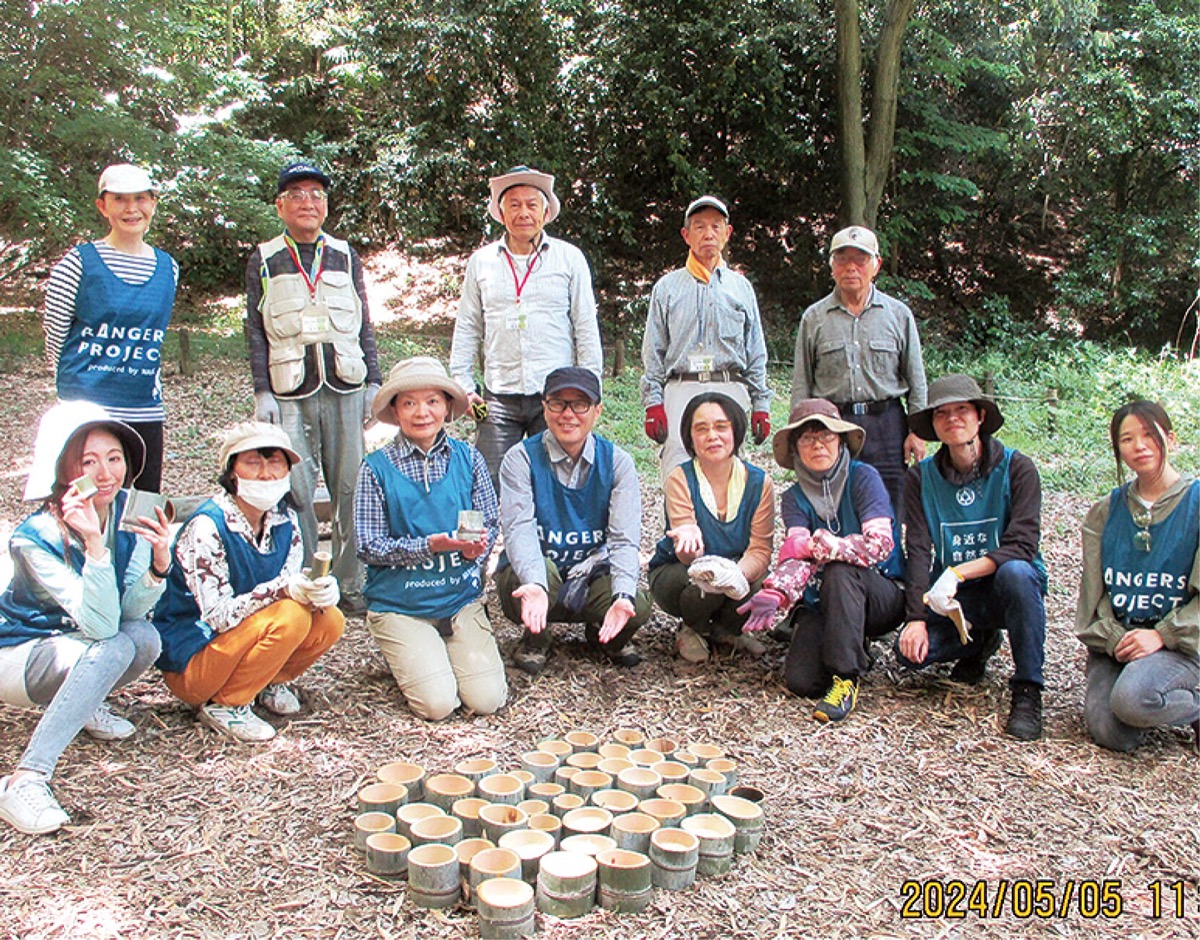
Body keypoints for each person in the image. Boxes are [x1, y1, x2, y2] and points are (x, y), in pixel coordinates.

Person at [0, 402, 169, 834]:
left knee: (145, 638)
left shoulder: (131, 509)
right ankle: (26, 779)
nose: (106, 473)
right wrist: (94, 545)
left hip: (84, 642)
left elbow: (129, 615)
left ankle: (85, 704)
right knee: (112, 645)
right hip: (24, 651)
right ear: (64, 469)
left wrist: (157, 566)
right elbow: (100, 629)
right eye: (88, 462)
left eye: (114, 458)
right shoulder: (35, 536)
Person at [244, 160, 383, 614]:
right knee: (296, 490)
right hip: (289, 393)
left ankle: (349, 583)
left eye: (317, 194)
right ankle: (305, 581)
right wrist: (262, 390)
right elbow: (255, 329)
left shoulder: (344, 253)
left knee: (350, 489)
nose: (308, 202)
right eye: (298, 194)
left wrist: (373, 382)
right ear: (281, 205)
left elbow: (364, 321)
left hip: (344, 386)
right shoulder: (264, 258)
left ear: (326, 205)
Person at [153, 422, 345, 743]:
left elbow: (290, 583)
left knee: (330, 620)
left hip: (245, 639)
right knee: (291, 615)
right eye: (253, 463)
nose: (267, 474)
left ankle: (266, 681)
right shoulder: (207, 527)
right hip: (196, 657)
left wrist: (316, 591)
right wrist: (283, 591)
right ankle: (228, 703)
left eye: (276, 463)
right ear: (232, 472)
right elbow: (216, 615)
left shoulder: (286, 520)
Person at [894, 374, 1047, 740]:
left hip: (1007, 588)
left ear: (980, 416)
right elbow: (917, 548)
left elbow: (1022, 545)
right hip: (954, 599)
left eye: (962, 410)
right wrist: (915, 617)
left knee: (1017, 573)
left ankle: (1028, 689)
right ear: (932, 424)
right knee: (911, 656)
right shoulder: (921, 479)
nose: (952, 419)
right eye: (941, 413)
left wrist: (958, 571)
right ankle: (978, 642)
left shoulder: (1017, 468)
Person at [354, 357, 507, 720]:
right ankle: (413, 652)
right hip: (401, 604)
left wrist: (477, 548)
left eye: (432, 401)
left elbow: (489, 520)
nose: (422, 412)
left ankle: (436, 653)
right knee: (437, 705)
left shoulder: (468, 459)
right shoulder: (375, 468)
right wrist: (429, 546)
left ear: (446, 407)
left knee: (487, 700)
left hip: (458, 598)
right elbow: (367, 544)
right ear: (395, 410)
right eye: (409, 403)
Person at [739, 399, 904, 722]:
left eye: (826, 436)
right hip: (824, 599)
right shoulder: (794, 498)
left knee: (842, 571)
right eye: (807, 439)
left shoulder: (863, 478)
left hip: (880, 594)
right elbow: (796, 553)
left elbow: (880, 545)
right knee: (802, 680)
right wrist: (777, 591)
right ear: (796, 449)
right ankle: (853, 646)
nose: (818, 445)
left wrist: (829, 547)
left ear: (841, 441)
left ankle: (847, 677)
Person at [449, 166, 604, 487]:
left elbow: (586, 326)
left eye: (531, 205)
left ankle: (549, 539)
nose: (523, 213)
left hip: (556, 396)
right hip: (495, 398)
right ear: (500, 212)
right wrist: (464, 385)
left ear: (546, 212)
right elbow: (467, 326)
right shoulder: (482, 261)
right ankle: (491, 539)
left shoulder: (569, 258)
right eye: (514, 204)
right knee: (488, 483)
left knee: (554, 483)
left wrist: (590, 387)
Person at [496, 367, 652, 675]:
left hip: (590, 574)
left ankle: (604, 632)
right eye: (558, 403)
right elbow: (519, 529)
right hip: (538, 574)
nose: (568, 414)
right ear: (544, 407)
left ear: (597, 411)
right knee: (538, 578)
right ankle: (535, 637)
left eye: (580, 404)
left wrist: (622, 593)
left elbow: (623, 539)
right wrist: (535, 584)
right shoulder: (521, 458)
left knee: (638, 605)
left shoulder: (617, 462)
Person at [44, 164, 178, 492]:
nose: (131, 209)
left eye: (140, 198)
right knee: (86, 504)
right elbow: (55, 339)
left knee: (143, 508)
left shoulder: (168, 268)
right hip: (87, 409)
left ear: (153, 203)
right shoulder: (77, 264)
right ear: (103, 206)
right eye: (120, 199)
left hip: (144, 408)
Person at [1075, 401, 1198, 751]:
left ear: (1170, 439)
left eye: (1149, 434)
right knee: (1110, 732)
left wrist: (1162, 634)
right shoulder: (1105, 511)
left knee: (1132, 700)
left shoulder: (1196, 503)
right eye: (1127, 439)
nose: (1139, 445)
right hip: (1122, 641)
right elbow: (1092, 597)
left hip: (1182, 644)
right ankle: (1146, 697)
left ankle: (1192, 701)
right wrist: (1114, 638)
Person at [789, 225, 927, 512]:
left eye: (860, 259)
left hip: (887, 424)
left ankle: (889, 558)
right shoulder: (814, 318)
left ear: (876, 265)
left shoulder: (898, 315)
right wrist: (799, 434)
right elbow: (802, 383)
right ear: (831, 266)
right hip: (832, 424)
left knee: (891, 506)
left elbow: (916, 379)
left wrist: (917, 431)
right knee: (837, 505)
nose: (851, 267)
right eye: (842, 259)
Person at [641, 195, 772, 482]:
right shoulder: (667, 288)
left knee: (730, 477)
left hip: (730, 386)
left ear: (728, 233)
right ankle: (678, 527)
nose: (708, 234)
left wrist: (761, 405)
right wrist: (653, 403)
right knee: (678, 474)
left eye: (716, 226)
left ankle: (728, 528)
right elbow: (653, 351)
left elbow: (755, 351)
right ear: (686, 235)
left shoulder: (741, 288)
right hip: (681, 386)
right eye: (699, 227)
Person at [649, 392, 775, 663]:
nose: (712, 436)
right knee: (701, 584)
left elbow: (761, 549)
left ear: (735, 431)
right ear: (690, 437)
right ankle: (692, 628)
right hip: (680, 571)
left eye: (721, 426)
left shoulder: (759, 483)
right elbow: (685, 553)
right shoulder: (680, 478)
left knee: (758, 583)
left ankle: (727, 630)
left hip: (735, 566)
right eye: (701, 428)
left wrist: (734, 574)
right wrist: (690, 545)